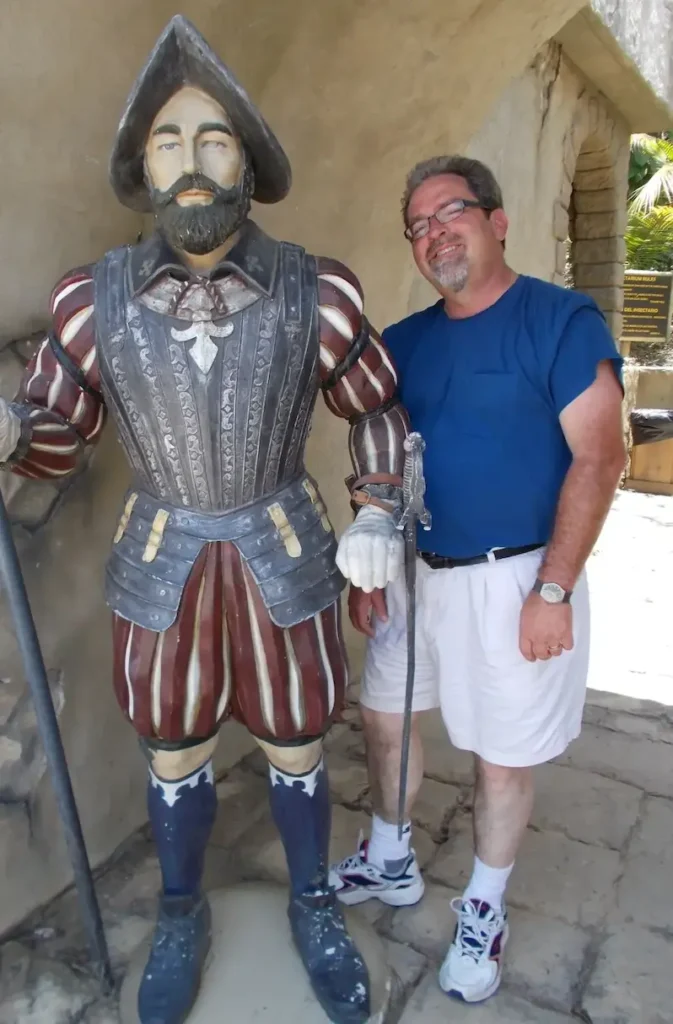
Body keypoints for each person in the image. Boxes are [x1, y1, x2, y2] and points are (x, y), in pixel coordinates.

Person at [0, 17, 412, 1024]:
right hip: (160, 564)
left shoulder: (318, 293)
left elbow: (376, 409)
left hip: (283, 553)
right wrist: (11, 433)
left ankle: (315, 904)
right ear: (144, 167)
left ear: (248, 164)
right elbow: (63, 434)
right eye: (169, 142)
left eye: (213, 139)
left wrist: (379, 509)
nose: (192, 163)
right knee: (172, 752)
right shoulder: (91, 305)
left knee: (297, 744)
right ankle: (181, 911)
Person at [330, 155, 626, 1003]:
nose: (432, 234)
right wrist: (372, 553)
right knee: (382, 716)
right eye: (416, 226)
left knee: (501, 757)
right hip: (415, 573)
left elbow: (600, 455)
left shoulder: (557, 321)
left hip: (517, 578)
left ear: (496, 222)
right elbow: (378, 465)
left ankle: (484, 908)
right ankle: (389, 853)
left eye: (448, 212)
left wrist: (556, 588)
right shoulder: (404, 344)